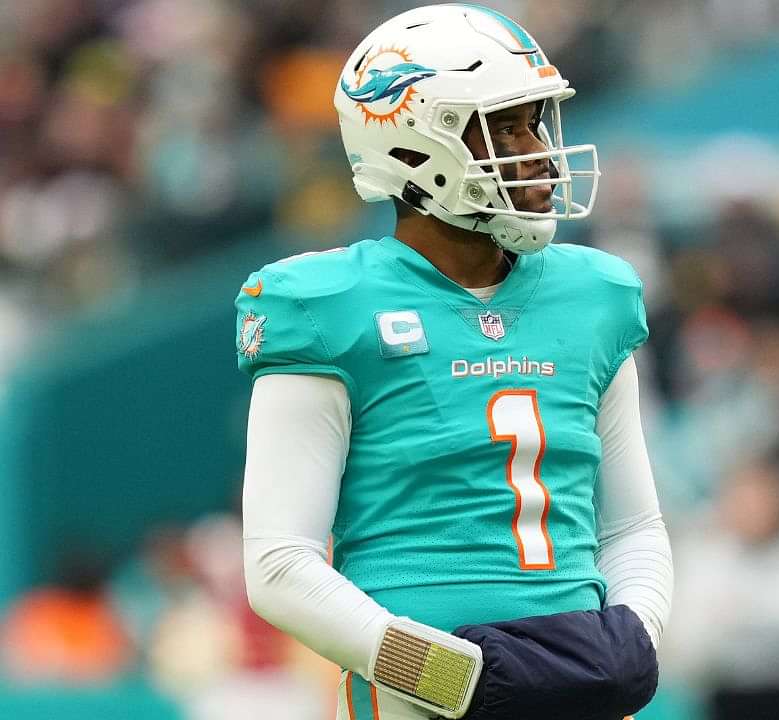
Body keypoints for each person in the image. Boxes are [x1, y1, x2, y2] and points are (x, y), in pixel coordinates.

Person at [234, 5, 673, 719]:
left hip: (578, 684)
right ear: (415, 146)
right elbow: (279, 565)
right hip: (421, 700)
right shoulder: (327, 304)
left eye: (534, 122)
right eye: (506, 127)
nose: (537, 150)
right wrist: (450, 679)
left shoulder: (593, 294)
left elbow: (632, 529)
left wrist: (629, 646)